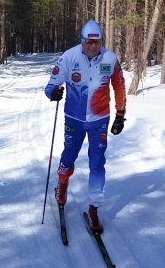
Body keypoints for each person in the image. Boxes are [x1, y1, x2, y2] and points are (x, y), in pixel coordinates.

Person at [44, 19, 126, 232]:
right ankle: (62, 184)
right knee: (69, 156)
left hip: (99, 120)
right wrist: (53, 92)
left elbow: (119, 86)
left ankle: (94, 208)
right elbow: (52, 83)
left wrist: (120, 114)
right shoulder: (69, 56)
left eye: (97, 42)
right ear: (82, 41)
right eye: (89, 41)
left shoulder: (110, 58)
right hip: (74, 118)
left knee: (97, 163)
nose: (93, 46)